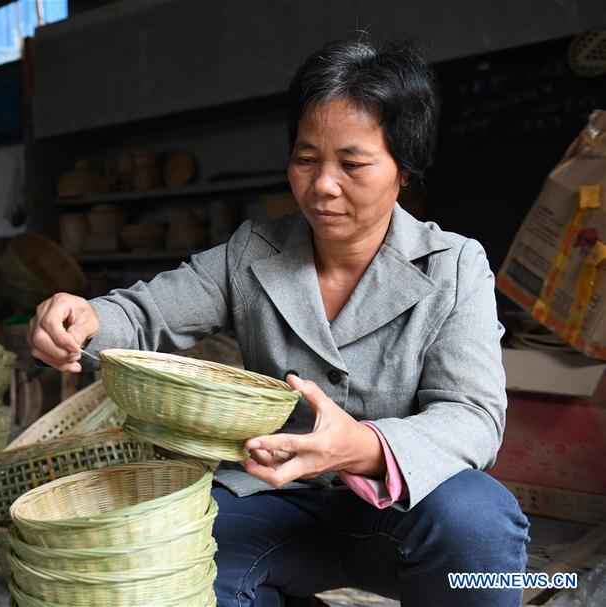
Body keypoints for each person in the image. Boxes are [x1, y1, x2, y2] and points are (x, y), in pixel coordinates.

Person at [28, 36, 529, 607]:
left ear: (404, 170)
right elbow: (146, 315)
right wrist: (84, 319)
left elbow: (473, 416)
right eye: (306, 157)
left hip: (402, 509)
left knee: (479, 523)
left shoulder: (454, 266)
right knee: (175, 561)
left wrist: (359, 445)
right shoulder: (251, 254)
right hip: (272, 500)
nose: (322, 185)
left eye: (353, 163)